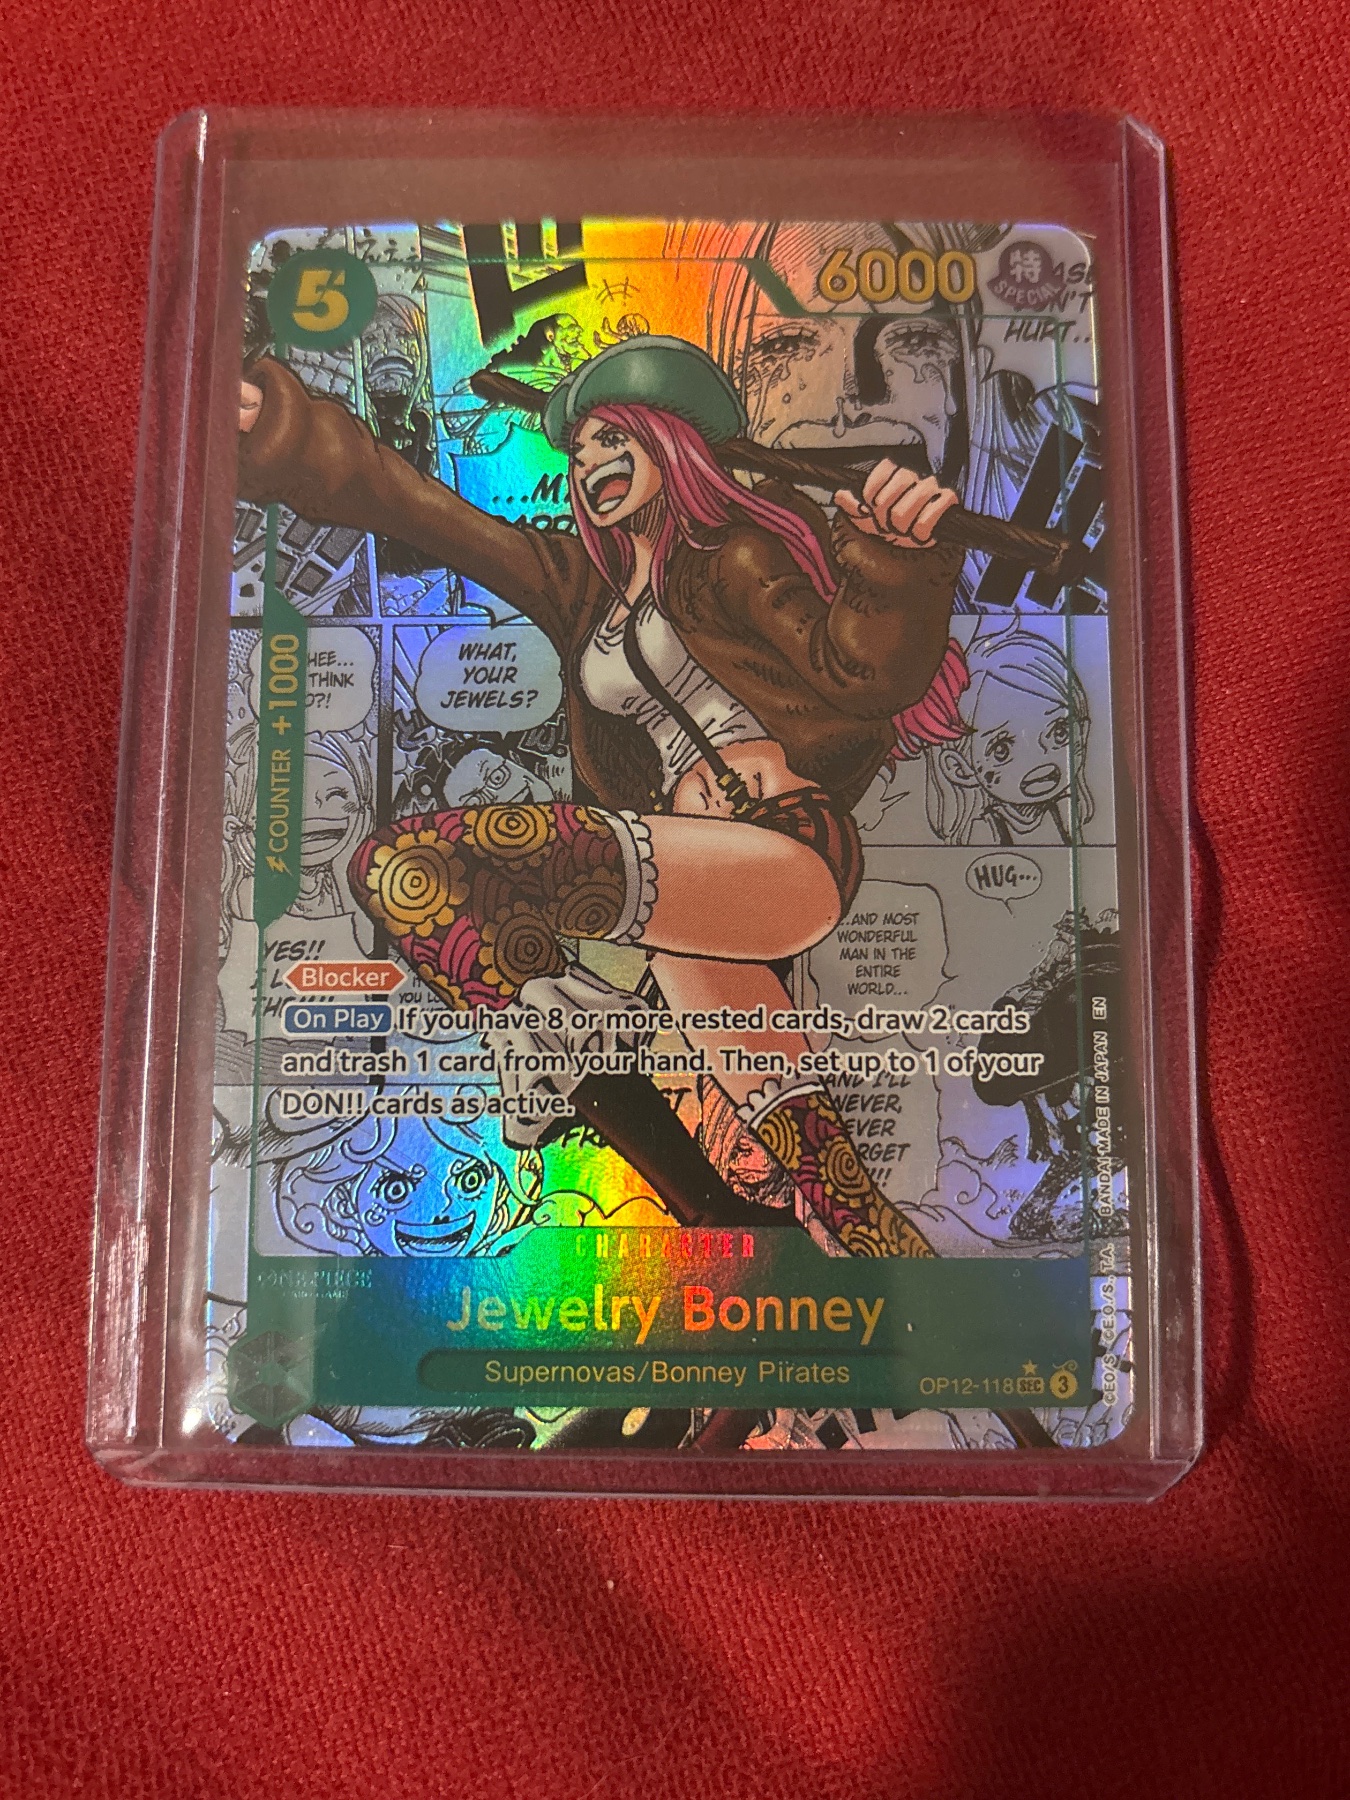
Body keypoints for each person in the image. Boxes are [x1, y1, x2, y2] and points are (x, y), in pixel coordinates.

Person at [238, 335, 967, 1257]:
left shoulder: (734, 554)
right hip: (686, 876)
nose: (589, 466)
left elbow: (860, 670)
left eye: (613, 440)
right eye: (580, 452)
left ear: (674, 442)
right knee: (835, 1187)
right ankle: (771, 1230)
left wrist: (891, 561)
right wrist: (287, 433)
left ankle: (580, 1028)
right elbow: (421, 510)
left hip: (779, 842)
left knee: (407, 866)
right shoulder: (587, 586)